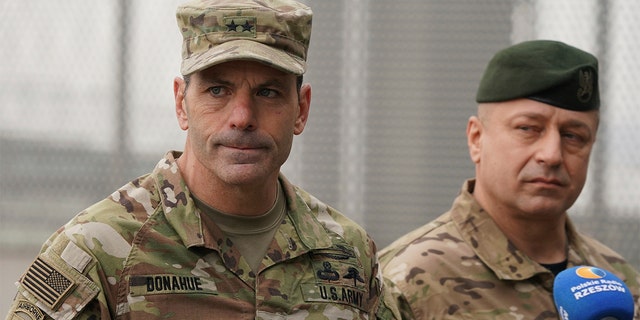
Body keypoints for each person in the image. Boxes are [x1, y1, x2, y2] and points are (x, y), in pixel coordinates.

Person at [5, 1, 398, 319]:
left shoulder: (348, 254)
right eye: (217, 90)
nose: (242, 116)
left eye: (269, 93)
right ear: (181, 103)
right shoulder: (99, 250)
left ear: (301, 109)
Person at [379, 40, 640, 319]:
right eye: (527, 128)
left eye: (573, 136)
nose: (551, 155)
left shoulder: (619, 283)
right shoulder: (405, 281)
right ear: (476, 139)